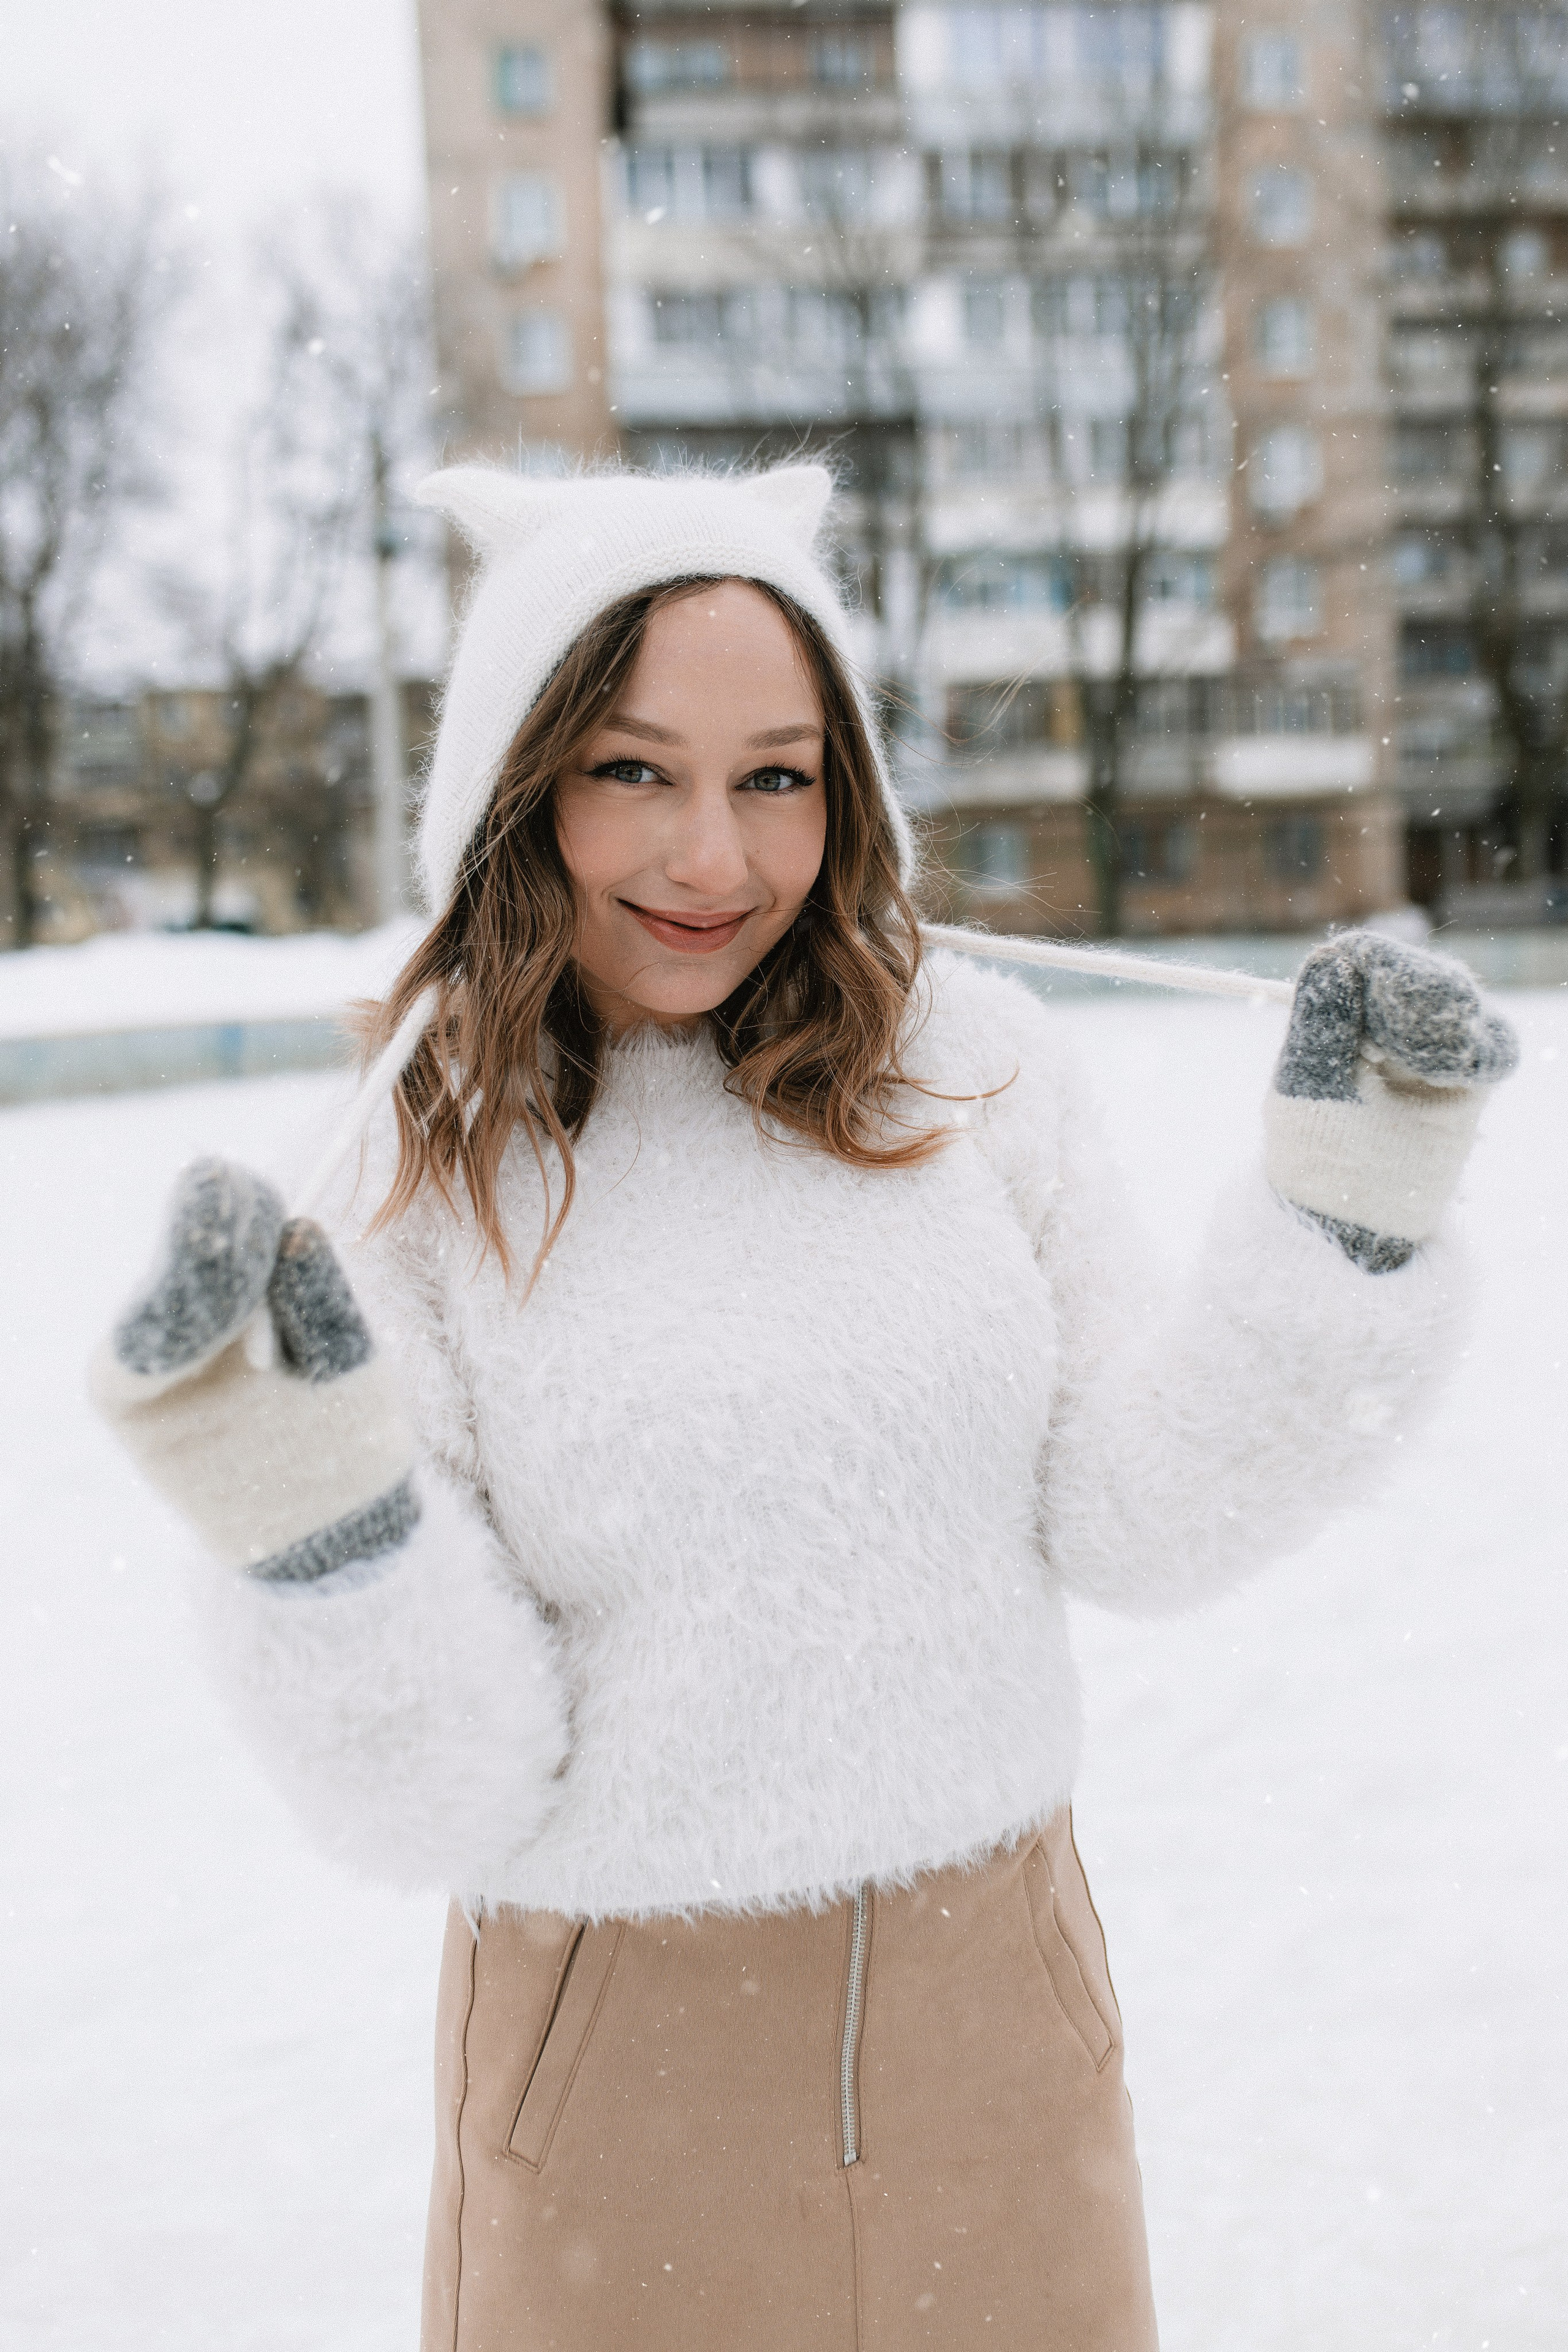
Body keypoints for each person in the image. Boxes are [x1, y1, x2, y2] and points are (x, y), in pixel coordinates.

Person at [92, 463, 1517, 2351]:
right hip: (623, 2087)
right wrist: (313, 1529)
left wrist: (1351, 1219)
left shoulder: (973, 1074)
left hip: (1003, 2011)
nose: (717, 858)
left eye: (777, 773)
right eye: (631, 770)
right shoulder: (406, 1181)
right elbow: (445, 1782)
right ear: (515, 788)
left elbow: (1134, 1514)